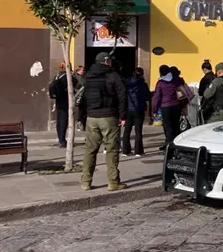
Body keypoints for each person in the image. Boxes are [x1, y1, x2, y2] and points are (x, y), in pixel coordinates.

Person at [81, 52, 128, 192]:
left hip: (91, 117)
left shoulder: (88, 75)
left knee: (90, 150)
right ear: (106, 61)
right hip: (109, 116)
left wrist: (83, 116)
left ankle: (85, 182)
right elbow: (122, 94)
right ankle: (113, 182)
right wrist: (123, 116)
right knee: (112, 149)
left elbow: (84, 96)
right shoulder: (112, 75)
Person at [152, 65, 184, 150]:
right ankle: (177, 145)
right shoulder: (175, 80)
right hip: (176, 106)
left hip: (166, 107)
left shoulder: (160, 83)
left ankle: (169, 146)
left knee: (167, 127)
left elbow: (157, 97)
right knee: (176, 126)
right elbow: (181, 92)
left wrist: (154, 110)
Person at [122, 67, 150, 157]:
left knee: (127, 130)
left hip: (128, 109)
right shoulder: (143, 84)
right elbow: (147, 96)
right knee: (138, 131)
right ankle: (138, 151)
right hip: (139, 109)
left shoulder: (127, 83)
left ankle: (125, 150)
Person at [49, 62, 77, 148]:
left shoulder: (57, 76)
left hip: (59, 101)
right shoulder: (67, 77)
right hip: (66, 101)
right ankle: (62, 141)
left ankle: (61, 139)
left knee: (60, 121)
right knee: (64, 121)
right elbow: (76, 83)